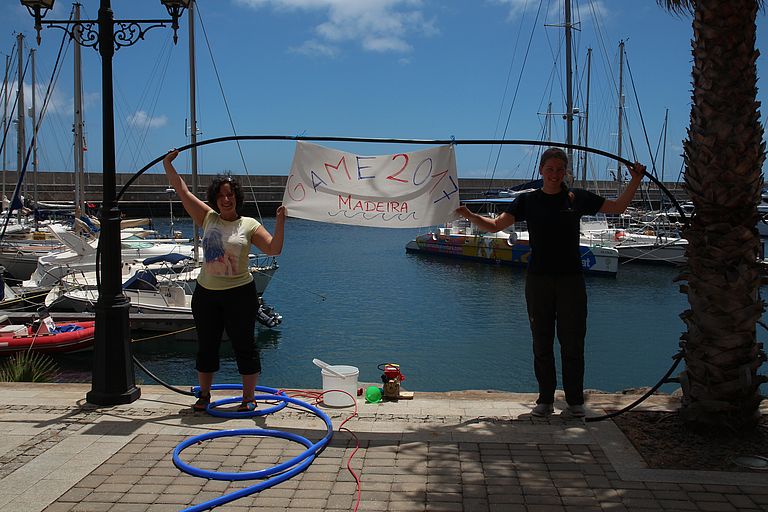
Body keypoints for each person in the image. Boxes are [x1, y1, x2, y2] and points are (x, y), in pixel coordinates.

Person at [456, 147, 645, 417]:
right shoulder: (527, 201)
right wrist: (471, 217)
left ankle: (575, 402)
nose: (555, 174)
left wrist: (635, 180)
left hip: (571, 281)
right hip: (538, 280)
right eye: (550, 169)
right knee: (541, 341)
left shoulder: (576, 198)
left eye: (559, 169)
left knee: (572, 342)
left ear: (565, 171)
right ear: (541, 170)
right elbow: (497, 225)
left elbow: (618, 207)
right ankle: (544, 399)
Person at [163, 149, 286, 412]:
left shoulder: (249, 225)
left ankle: (248, 398)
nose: (226, 199)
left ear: (236, 197)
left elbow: (274, 249)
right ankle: (204, 395)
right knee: (207, 346)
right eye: (221, 195)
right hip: (206, 294)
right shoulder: (207, 218)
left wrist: (280, 221)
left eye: (230, 194)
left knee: (245, 345)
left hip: (240, 294)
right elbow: (182, 191)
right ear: (215, 199)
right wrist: (168, 165)